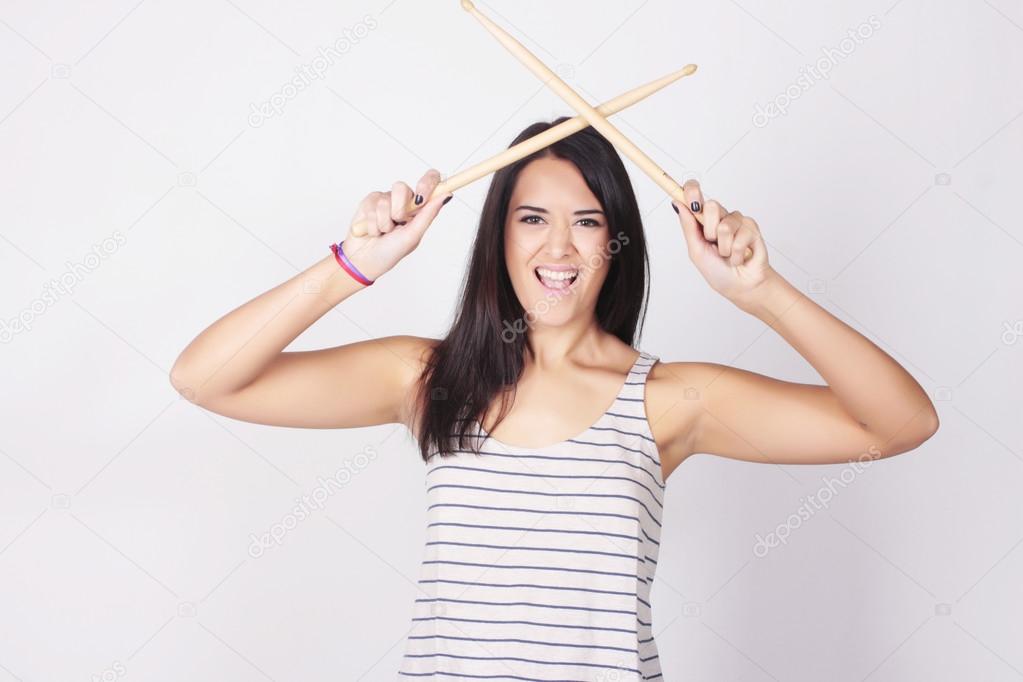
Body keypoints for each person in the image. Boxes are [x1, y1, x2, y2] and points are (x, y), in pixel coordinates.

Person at [170, 117, 939, 678]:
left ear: (616, 242)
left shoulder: (669, 399)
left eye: (587, 222)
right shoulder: (427, 379)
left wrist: (760, 291)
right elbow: (205, 378)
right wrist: (355, 263)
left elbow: (902, 423)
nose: (559, 248)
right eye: (531, 219)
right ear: (497, 237)